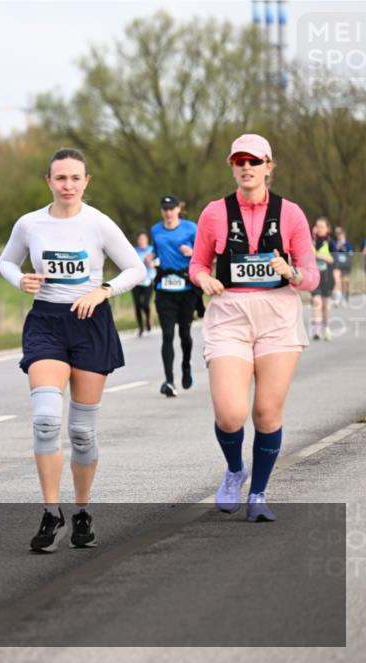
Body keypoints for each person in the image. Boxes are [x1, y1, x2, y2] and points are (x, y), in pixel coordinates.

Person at [0, 148, 145, 552]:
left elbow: (136, 268)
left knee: (81, 431)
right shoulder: (30, 224)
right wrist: (20, 280)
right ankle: (51, 513)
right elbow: (6, 261)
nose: (68, 185)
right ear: (48, 181)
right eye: (60, 178)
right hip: (47, 323)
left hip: (90, 324)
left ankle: (82, 511)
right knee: (46, 420)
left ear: (86, 181)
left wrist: (104, 291)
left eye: (75, 178)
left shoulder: (98, 223)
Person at [190, 133, 319, 522]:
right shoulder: (214, 213)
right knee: (230, 414)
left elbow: (312, 276)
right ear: (231, 166)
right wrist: (204, 280)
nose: (246, 167)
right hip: (229, 314)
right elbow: (197, 264)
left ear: (269, 166)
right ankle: (234, 471)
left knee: (266, 412)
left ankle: (259, 494)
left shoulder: (291, 213)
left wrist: (291, 271)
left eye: (254, 161)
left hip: (278, 316)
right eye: (239, 161)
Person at [151, 194, 199, 397]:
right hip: (165, 289)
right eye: (165, 209)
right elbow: (156, 251)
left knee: (184, 334)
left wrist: (193, 252)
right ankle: (169, 380)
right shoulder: (155, 230)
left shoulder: (191, 228)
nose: (168, 212)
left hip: (186, 289)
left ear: (179, 209)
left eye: (171, 209)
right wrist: (150, 258)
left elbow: (205, 254)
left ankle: (186, 365)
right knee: (167, 335)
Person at [310, 217, 336, 341]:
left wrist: (319, 255)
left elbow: (333, 259)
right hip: (314, 277)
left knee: (326, 305)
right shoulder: (311, 241)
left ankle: (327, 328)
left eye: (322, 226)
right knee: (316, 302)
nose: (319, 228)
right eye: (317, 226)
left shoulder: (331, 243)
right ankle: (317, 329)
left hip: (327, 278)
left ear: (327, 229)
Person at [131, 230, 156, 336]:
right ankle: (141, 328)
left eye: (144, 239)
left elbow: (156, 264)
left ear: (147, 240)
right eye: (140, 239)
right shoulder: (133, 251)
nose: (142, 241)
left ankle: (148, 321)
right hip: (136, 282)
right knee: (137, 305)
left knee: (145, 303)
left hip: (148, 280)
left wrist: (150, 263)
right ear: (137, 241)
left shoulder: (151, 250)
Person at [333, 226, 353, 306]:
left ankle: (345, 297)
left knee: (344, 282)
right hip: (337, 264)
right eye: (337, 234)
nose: (339, 236)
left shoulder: (348, 244)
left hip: (345, 265)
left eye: (340, 234)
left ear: (344, 235)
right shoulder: (335, 243)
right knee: (337, 280)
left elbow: (351, 253)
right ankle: (337, 298)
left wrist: (344, 249)